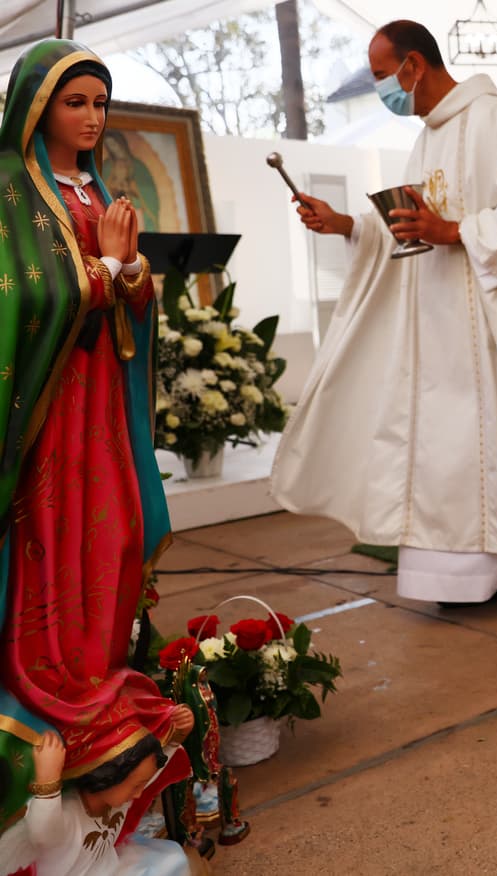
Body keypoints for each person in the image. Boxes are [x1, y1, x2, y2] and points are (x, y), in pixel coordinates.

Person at [271, 20, 497, 633]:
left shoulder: (494, 121)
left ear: (413, 65)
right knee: (452, 458)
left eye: (383, 76)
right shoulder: (428, 137)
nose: (383, 88)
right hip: (440, 328)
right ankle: (473, 576)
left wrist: (455, 231)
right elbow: (412, 219)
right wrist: (351, 226)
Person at [0, 38, 183, 830]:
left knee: (110, 537)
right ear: (37, 108)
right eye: (76, 102)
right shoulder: (11, 189)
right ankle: (55, 682)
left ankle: (100, 670)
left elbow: (127, 301)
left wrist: (133, 278)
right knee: (52, 537)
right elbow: (20, 301)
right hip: (44, 412)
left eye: (99, 103)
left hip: (100, 408)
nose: (92, 117)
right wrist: (105, 272)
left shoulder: (94, 188)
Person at [0, 724, 207, 875]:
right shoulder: (70, 812)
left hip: (112, 866)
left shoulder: (117, 797)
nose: (138, 794)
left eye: (140, 785)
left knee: (173, 860)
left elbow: (149, 775)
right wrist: (47, 783)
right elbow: (43, 833)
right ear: (109, 776)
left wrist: (174, 737)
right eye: (135, 786)